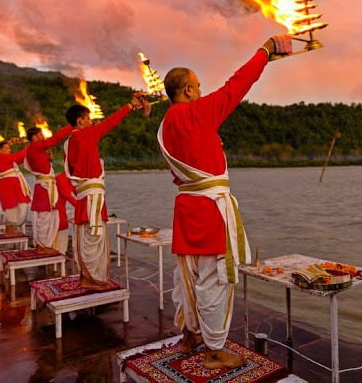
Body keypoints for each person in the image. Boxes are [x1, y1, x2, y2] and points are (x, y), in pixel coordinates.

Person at [157, 35, 292, 369]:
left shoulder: (164, 126)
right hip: (209, 211)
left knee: (186, 276)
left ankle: (190, 334)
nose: (202, 91)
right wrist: (265, 50)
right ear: (187, 90)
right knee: (215, 279)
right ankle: (214, 350)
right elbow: (238, 84)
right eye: (198, 86)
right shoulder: (197, 113)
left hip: (185, 208)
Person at [64, 96, 150, 288]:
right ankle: (92, 279)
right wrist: (129, 105)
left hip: (85, 195)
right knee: (94, 238)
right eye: (88, 118)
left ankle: (86, 276)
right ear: (79, 121)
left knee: (86, 237)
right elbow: (110, 122)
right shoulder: (83, 135)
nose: (91, 121)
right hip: (92, 196)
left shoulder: (71, 141)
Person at [24, 125, 72, 251]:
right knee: (46, 218)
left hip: (43, 186)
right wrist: (71, 126)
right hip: (45, 188)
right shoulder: (35, 146)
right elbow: (55, 138)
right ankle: (45, 246)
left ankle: (43, 245)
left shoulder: (33, 149)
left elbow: (42, 167)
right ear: (34, 137)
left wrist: (47, 160)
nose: (43, 137)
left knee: (44, 218)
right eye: (41, 135)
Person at [0, 139, 30, 235]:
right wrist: (31, 145)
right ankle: (9, 230)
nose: (9, 150)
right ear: (0, 150)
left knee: (21, 206)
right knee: (11, 207)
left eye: (9, 148)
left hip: (13, 183)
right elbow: (18, 155)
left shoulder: (8, 159)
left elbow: (20, 158)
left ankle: (11, 228)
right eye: (6, 148)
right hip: (7, 184)